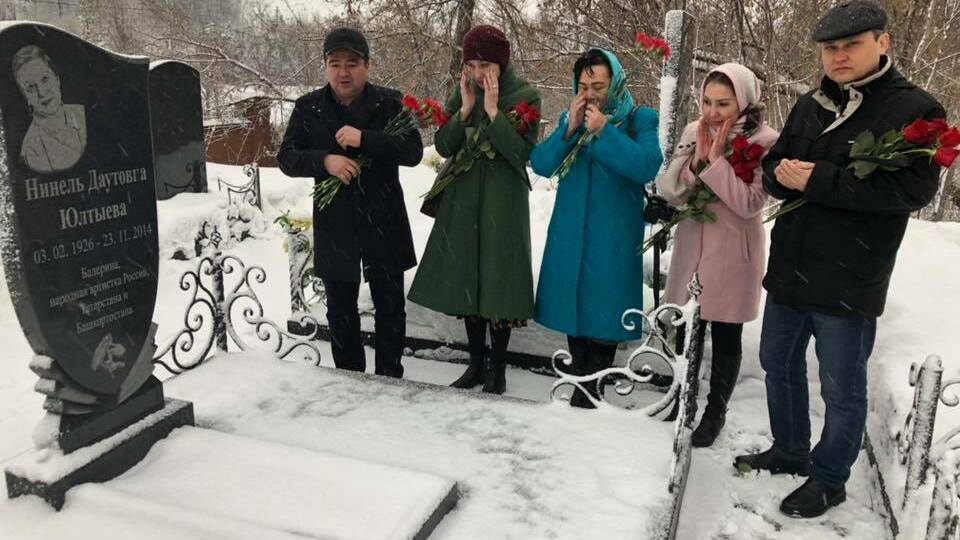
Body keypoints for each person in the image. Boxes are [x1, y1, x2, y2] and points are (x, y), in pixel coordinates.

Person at [733, 0, 946, 518]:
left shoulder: (916, 110)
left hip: (850, 275)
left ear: (882, 43)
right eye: (831, 48)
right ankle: (789, 449)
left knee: (841, 387)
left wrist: (819, 180)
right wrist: (779, 175)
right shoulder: (812, 103)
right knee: (779, 364)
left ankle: (830, 479)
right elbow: (776, 163)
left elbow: (913, 191)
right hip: (791, 267)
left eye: (852, 44)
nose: (839, 56)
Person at [277, 27, 423, 378]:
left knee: (390, 306)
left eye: (352, 63)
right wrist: (325, 161)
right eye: (335, 64)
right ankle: (349, 379)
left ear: (366, 66)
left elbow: (413, 151)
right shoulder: (309, 107)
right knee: (340, 310)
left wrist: (366, 139)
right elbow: (286, 157)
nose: (343, 72)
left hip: (383, 217)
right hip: (336, 222)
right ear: (325, 66)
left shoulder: (389, 103)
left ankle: (390, 376)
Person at [407, 25, 540, 395]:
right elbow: (445, 146)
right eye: (472, 65)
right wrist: (465, 109)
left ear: (501, 63)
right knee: (468, 277)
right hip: (464, 198)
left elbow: (520, 153)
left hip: (504, 200)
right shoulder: (463, 91)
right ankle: (476, 364)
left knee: (500, 280)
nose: (479, 73)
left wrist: (494, 112)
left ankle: (498, 367)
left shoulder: (526, 95)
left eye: (486, 65)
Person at [529, 48, 662, 408]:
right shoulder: (569, 118)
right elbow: (541, 164)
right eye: (584, 86)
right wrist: (569, 129)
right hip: (571, 231)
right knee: (573, 306)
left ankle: (590, 391)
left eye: (598, 87)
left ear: (615, 83)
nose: (590, 95)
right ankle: (581, 384)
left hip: (613, 236)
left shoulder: (639, 118)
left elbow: (647, 164)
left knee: (606, 308)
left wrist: (604, 131)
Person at [655, 63, 778, 441]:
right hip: (693, 244)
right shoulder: (695, 131)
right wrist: (695, 163)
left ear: (743, 101)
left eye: (723, 104)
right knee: (686, 327)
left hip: (733, 250)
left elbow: (750, 202)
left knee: (726, 334)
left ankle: (715, 411)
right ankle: (682, 398)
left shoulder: (764, 141)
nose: (712, 112)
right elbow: (669, 190)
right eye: (707, 101)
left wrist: (716, 164)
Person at [13, 45, 86, 173]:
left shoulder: (84, 114)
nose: (41, 92)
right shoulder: (32, 151)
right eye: (31, 87)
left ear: (57, 80)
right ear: (26, 97)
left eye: (45, 79)